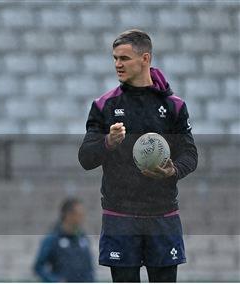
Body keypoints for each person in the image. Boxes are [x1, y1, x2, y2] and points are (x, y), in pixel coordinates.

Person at [78, 29, 198, 282]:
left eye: (124, 58)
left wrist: (173, 170)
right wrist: (108, 142)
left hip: (162, 216)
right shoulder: (104, 106)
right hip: (119, 216)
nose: (117, 65)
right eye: (115, 58)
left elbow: (190, 154)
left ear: (145, 59)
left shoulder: (173, 106)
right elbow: (86, 158)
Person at [34, 198, 95, 282]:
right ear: (68, 215)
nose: (82, 218)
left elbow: (90, 268)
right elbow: (38, 267)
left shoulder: (83, 238)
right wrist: (55, 280)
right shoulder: (52, 239)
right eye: (79, 214)